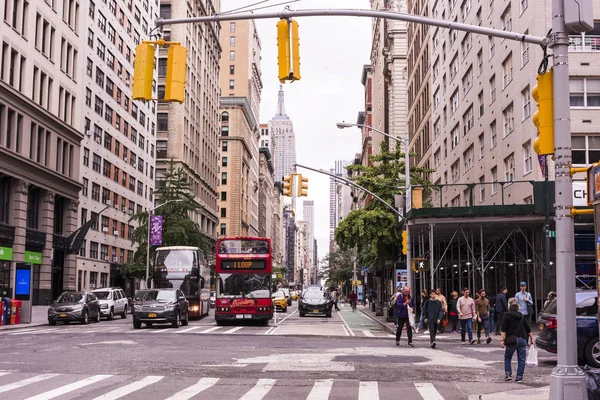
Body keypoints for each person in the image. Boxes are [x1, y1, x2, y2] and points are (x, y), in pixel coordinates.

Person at [500, 297, 534, 383]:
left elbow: (503, 329)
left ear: (509, 306)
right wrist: (532, 339)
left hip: (512, 340)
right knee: (521, 359)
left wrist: (502, 340)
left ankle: (508, 374)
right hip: (523, 339)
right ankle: (519, 377)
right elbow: (528, 329)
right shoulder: (522, 316)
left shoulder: (507, 315)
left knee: (507, 357)